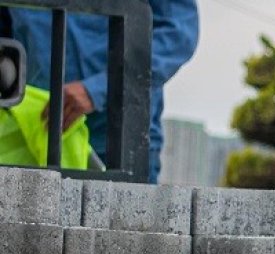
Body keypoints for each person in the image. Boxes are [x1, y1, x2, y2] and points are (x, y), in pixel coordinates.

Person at [4, 1, 198, 181]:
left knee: (125, 217)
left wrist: (99, 89)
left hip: (119, 143)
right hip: (34, 131)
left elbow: (177, 35)